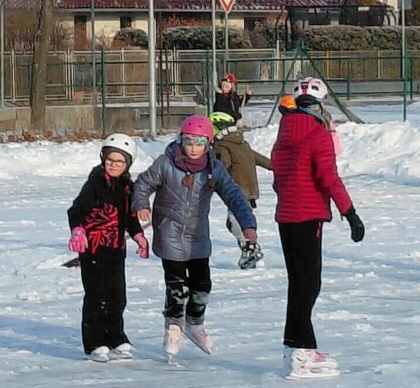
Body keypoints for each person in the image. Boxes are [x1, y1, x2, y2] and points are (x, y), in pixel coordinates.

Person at [132, 115, 258, 357]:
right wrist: (141, 204)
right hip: (169, 232)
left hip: (198, 236)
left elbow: (234, 195)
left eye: (199, 143)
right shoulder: (165, 163)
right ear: (181, 140)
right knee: (177, 287)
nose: (193, 148)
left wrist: (247, 224)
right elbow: (142, 184)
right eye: (188, 141)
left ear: (207, 144)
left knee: (202, 285)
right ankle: (173, 327)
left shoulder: (214, 169)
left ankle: (195, 324)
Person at [271, 77, 364, 379]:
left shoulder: (284, 133)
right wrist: (350, 212)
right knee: (308, 284)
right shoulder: (318, 133)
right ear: (320, 105)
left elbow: (278, 177)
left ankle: (297, 347)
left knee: (298, 283)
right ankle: (300, 350)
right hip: (307, 215)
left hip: (286, 216)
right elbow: (328, 177)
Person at [67, 133, 148, 362]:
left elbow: (129, 217)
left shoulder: (126, 188)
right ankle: (95, 342)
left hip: (116, 249)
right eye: (110, 160)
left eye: (119, 162)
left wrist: (139, 236)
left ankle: (115, 337)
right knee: (96, 295)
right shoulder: (94, 184)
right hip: (92, 248)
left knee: (117, 295)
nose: (114, 165)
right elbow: (76, 211)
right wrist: (78, 230)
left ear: (127, 164)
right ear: (103, 159)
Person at [209, 111, 272, 269]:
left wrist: (211, 177)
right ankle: (249, 248)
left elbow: (223, 166)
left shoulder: (221, 145)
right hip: (250, 188)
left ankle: (250, 248)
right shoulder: (242, 143)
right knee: (239, 219)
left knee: (234, 221)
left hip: (236, 189)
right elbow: (261, 160)